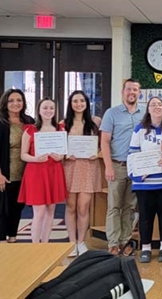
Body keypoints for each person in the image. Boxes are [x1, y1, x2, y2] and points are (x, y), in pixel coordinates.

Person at [128, 96, 162, 264]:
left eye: (159, 104)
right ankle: (146, 248)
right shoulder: (139, 129)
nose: (156, 107)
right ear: (147, 109)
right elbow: (132, 154)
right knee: (145, 217)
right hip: (144, 183)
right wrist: (136, 174)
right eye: (152, 105)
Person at [101, 78, 143, 255]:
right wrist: (108, 166)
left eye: (135, 90)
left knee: (129, 207)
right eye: (128, 89)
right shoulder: (112, 113)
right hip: (117, 165)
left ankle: (125, 241)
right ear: (122, 92)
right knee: (114, 206)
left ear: (139, 93)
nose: (131, 93)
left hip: (137, 168)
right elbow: (104, 141)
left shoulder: (145, 114)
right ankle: (113, 243)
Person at [0, 88, 34, 243]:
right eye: (11, 100)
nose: (15, 103)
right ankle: (0, 241)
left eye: (19, 100)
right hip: (5, 175)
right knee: (2, 210)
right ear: (5, 103)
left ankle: (13, 237)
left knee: (17, 208)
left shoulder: (29, 122)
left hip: (25, 174)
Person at [18, 98, 68, 243]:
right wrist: (36, 159)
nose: (48, 111)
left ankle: (45, 243)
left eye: (51, 108)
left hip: (54, 171)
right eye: (45, 108)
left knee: (50, 211)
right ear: (39, 110)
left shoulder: (60, 129)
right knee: (38, 212)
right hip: (36, 172)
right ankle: (35, 246)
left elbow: (63, 152)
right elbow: (23, 155)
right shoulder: (30, 129)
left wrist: (61, 157)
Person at [61, 90, 102, 256]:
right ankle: (72, 242)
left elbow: (104, 144)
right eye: (75, 101)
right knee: (71, 205)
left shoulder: (95, 122)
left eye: (82, 101)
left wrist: (97, 153)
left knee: (84, 206)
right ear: (70, 104)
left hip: (89, 167)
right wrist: (65, 154)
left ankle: (81, 241)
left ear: (87, 103)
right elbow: (59, 146)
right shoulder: (63, 124)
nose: (79, 104)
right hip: (70, 167)